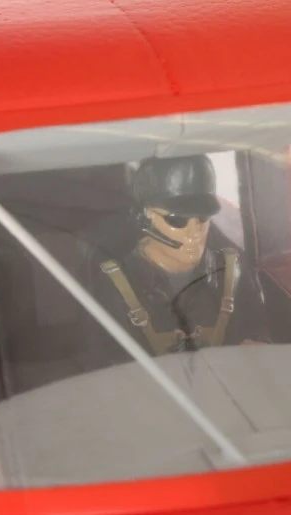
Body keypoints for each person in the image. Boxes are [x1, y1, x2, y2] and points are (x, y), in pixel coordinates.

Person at [80, 154, 268, 372]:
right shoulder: (112, 283)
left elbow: (258, 345)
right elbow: (103, 368)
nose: (194, 233)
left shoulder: (233, 271)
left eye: (202, 218)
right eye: (177, 220)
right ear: (144, 218)